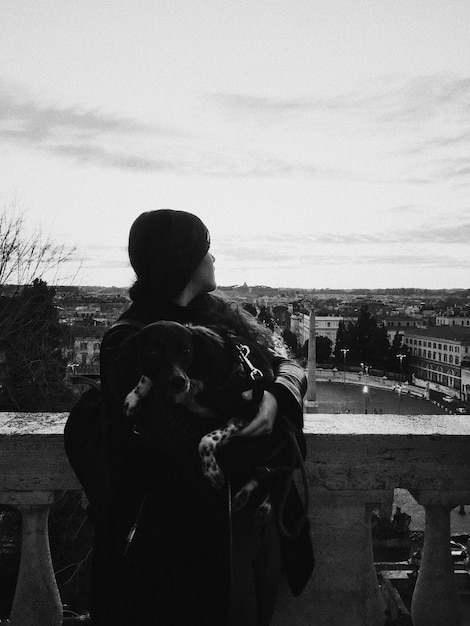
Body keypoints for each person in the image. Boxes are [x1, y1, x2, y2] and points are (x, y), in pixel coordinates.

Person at [85, 209, 313, 625]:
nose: (214, 260)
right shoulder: (133, 340)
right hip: (190, 539)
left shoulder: (219, 316)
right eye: (206, 250)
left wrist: (277, 398)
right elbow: (179, 438)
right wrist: (257, 413)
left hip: (258, 517)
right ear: (183, 259)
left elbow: (288, 364)